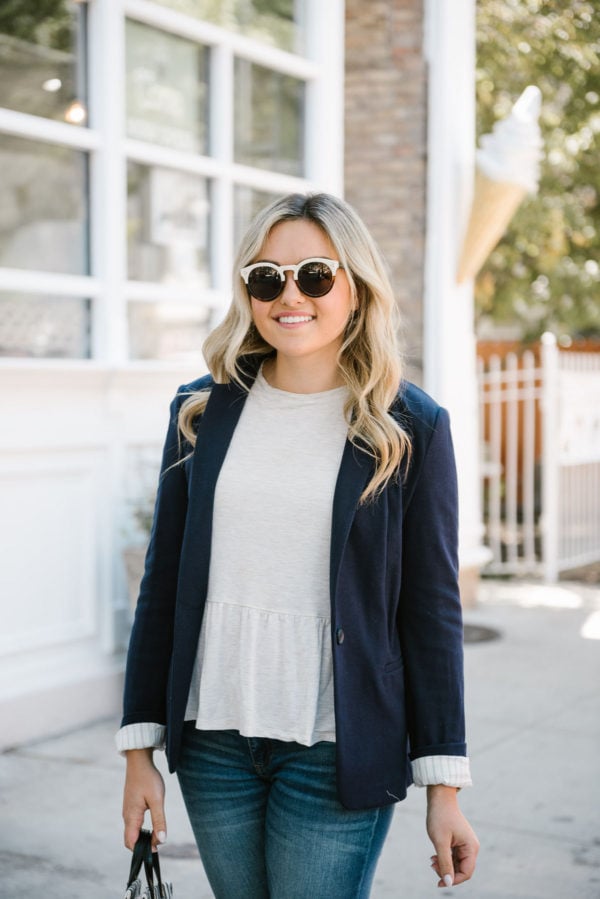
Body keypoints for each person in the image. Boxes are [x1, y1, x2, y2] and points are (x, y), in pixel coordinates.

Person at [117, 192, 479, 897]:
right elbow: (163, 586)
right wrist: (140, 751)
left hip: (336, 745)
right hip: (212, 739)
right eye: (267, 277)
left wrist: (445, 785)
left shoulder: (408, 426)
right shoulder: (200, 411)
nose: (290, 295)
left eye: (315, 274)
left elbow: (432, 611)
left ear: (356, 286)